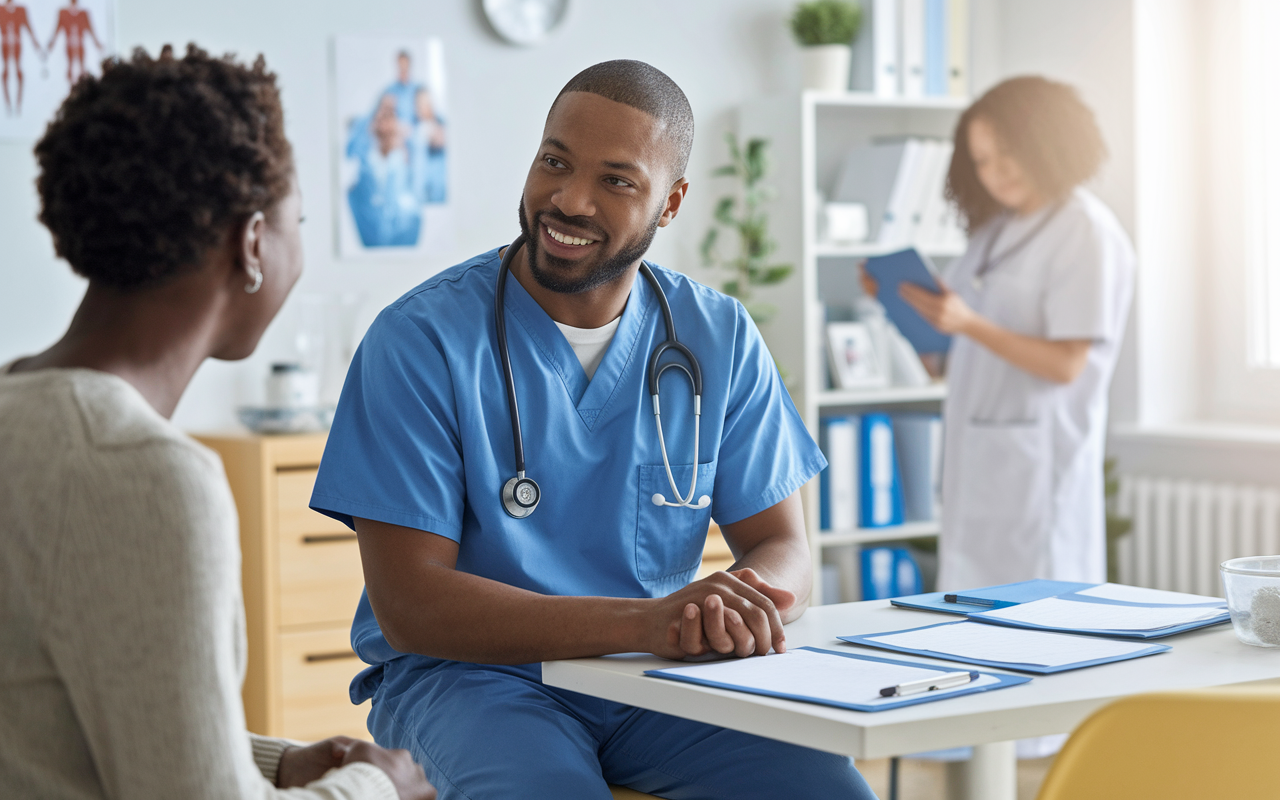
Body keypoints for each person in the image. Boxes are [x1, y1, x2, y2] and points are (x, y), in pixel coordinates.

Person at [310, 60, 876, 800]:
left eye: (616, 180)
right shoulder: (421, 341)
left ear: (670, 204)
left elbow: (784, 545)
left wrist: (735, 602)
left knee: (826, 789)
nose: (568, 199)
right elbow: (411, 605)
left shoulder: (718, 337)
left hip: (653, 684)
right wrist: (647, 623)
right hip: (471, 683)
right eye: (554, 161)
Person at [0, 44, 435, 800]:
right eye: (297, 221)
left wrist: (273, 764)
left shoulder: (21, 417)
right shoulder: (142, 473)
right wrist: (377, 786)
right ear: (251, 243)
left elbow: (44, 718)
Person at [864, 79, 1134, 614]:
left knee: (1046, 624)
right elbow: (953, 359)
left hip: (1038, 469)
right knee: (972, 623)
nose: (996, 173)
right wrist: (905, 310)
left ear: (1048, 142)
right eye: (982, 160)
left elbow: (1066, 364)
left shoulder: (1086, 230)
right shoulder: (992, 233)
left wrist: (966, 322)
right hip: (979, 466)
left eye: (1008, 154)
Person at [347, 92, 422, 247]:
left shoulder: (408, 162)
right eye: (382, 113)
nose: (386, 123)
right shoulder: (362, 164)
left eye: (392, 114)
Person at [0, 0, 40, 114]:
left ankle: (18, 103)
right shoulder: (1, 10)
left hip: (17, 44)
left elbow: (28, 26)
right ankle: (8, 104)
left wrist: (35, 43)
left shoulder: (21, 11)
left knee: (17, 69)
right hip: (6, 44)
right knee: (6, 70)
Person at [46, 0, 100, 85]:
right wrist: (52, 42)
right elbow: (57, 28)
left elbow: (90, 29)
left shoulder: (83, 14)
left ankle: (83, 88)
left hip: (80, 45)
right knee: (70, 67)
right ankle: (71, 87)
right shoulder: (64, 13)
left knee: (82, 68)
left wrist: (97, 43)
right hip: (69, 45)